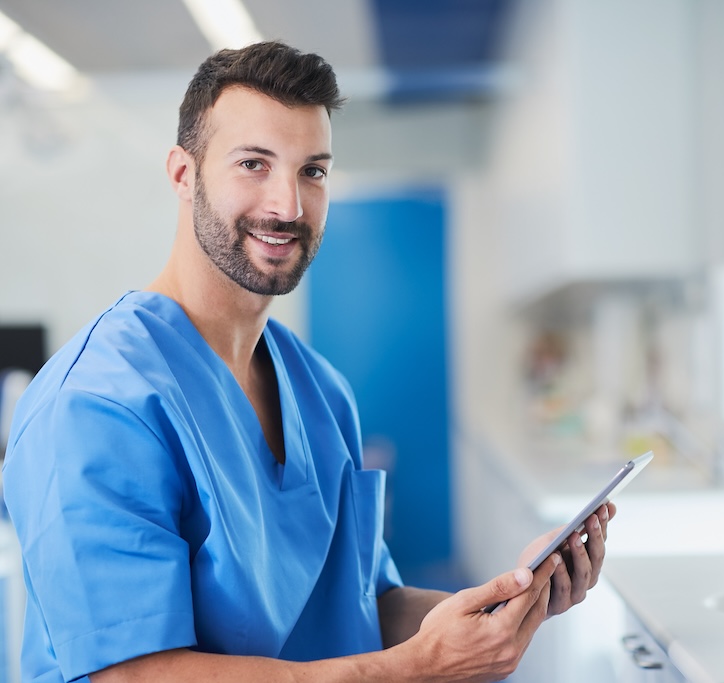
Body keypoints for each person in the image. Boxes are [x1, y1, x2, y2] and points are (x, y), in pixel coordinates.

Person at [1, 41, 614, 682]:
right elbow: (129, 675)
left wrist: (506, 606)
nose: (287, 206)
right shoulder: (98, 404)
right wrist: (419, 668)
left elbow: (367, 607)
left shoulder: (320, 391)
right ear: (184, 174)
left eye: (312, 171)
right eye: (253, 164)